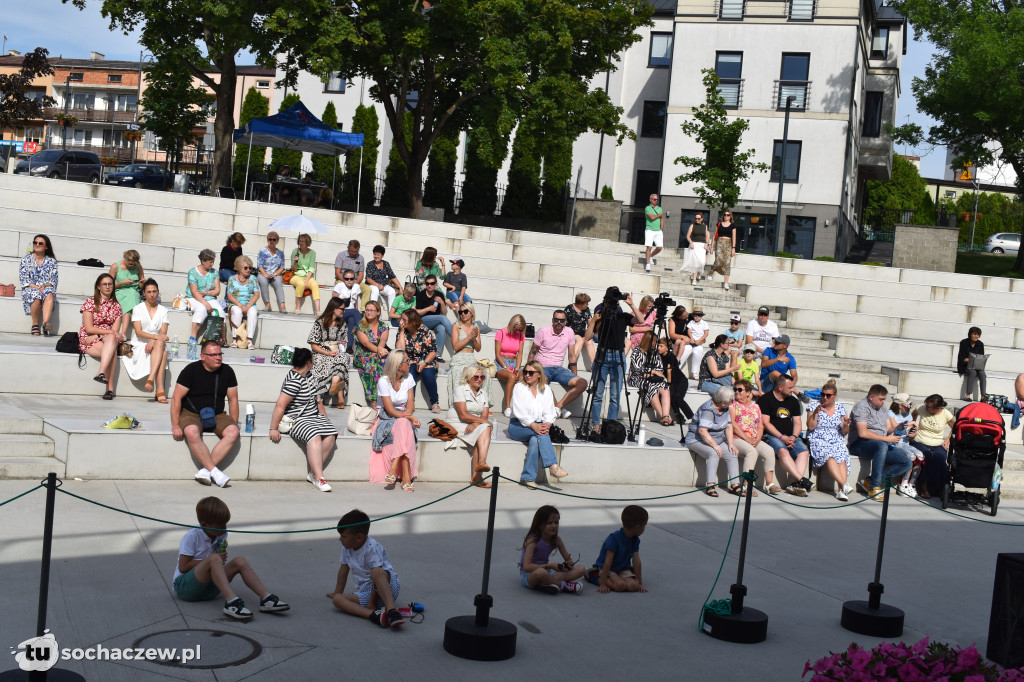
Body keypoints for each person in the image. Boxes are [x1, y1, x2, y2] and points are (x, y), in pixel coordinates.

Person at [173, 496, 289, 620]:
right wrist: (212, 560)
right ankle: (231, 602)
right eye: (220, 525)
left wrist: (218, 559)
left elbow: (216, 561)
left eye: (225, 523)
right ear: (204, 524)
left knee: (239, 561)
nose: (224, 528)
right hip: (186, 589)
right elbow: (183, 567)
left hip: (207, 590)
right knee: (214, 558)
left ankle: (266, 598)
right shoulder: (192, 536)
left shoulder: (220, 534)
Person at [171, 339, 239, 488]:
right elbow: (176, 398)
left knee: (234, 431)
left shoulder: (227, 371)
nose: (218, 358)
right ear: (203, 357)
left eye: (220, 354)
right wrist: (175, 425)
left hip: (217, 413)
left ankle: (205, 471)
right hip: (191, 413)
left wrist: (233, 422)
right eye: (213, 355)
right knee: (191, 431)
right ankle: (215, 471)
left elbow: (233, 400)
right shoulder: (190, 370)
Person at [269, 348, 338, 492]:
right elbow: (280, 405)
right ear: (308, 362)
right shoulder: (294, 381)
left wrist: (326, 421)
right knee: (314, 436)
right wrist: (273, 428)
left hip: (314, 416)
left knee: (331, 434)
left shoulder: (309, 375)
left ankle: (312, 473)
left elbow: (318, 401)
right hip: (298, 419)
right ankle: (319, 477)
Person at [327, 509, 406, 629]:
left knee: (376, 571)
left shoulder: (371, 547)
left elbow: (377, 575)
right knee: (337, 600)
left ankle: (392, 611)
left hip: (387, 586)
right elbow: (343, 570)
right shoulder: (346, 548)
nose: (340, 539)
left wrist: (372, 602)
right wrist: (337, 592)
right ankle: (374, 616)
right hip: (367, 593)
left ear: (359, 537)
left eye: (343, 536)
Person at [585, 288, 645, 432]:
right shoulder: (600, 315)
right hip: (602, 356)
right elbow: (587, 338)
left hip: (618, 356)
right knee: (598, 394)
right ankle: (596, 424)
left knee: (615, 395)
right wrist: (593, 321)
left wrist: (631, 304)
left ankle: (610, 426)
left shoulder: (622, 316)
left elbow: (641, 320)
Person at [510, 361, 569, 489]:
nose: (527, 375)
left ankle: (528, 478)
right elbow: (519, 412)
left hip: (537, 426)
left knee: (535, 440)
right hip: (518, 426)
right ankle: (553, 466)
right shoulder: (519, 387)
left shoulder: (546, 389)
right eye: (525, 372)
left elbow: (549, 411)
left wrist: (547, 424)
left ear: (539, 374)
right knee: (541, 433)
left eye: (531, 373)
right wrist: (534, 426)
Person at [849, 384, 912, 500]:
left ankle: (869, 481)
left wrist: (900, 427)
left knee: (906, 463)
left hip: (879, 444)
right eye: (881, 399)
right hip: (859, 443)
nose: (883, 402)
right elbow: (863, 433)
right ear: (871, 397)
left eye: (884, 399)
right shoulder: (861, 407)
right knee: (882, 445)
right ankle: (874, 487)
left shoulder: (883, 409)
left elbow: (888, 430)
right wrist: (887, 440)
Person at [370, 351, 420, 491]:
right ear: (398, 365)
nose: (409, 363)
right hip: (387, 417)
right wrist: (410, 418)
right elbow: (390, 410)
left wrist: (409, 415)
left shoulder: (408, 377)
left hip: (403, 416)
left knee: (403, 425)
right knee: (404, 425)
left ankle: (394, 466)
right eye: (407, 361)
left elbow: (411, 404)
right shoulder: (383, 381)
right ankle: (406, 477)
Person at [757, 374, 812, 496]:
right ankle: (801, 479)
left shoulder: (793, 401)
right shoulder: (765, 399)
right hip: (771, 436)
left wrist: (793, 437)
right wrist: (782, 437)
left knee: (804, 451)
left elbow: (798, 423)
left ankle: (795, 484)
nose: (793, 390)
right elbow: (765, 423)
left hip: (790, 436)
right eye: (790, 388)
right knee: (783, 451)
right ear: (780, 387)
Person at [530, 309, 589, 419]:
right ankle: (558, 409)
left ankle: (557, 407)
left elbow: (571, 356)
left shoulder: (569, 332)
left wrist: (575, 375)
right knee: (541, 382)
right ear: (552, 320)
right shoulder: (543, 331)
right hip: (543, 367)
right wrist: (528, 370)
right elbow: (533, 352)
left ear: (566, 321)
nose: (559, 322)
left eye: (562, 320)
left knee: (582, 383)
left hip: (559, 369)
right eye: (556, 320)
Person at [685, 386, 742, 497]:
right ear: (722, 402)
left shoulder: (725, 408)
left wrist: (730, 444)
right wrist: (715, 446)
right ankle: (710, 485)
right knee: (713, 453)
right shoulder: (708, 409)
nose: (732, 403)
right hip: (696, 439)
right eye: (730, 401)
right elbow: (702, 431)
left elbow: (729, 426)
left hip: (716, 439)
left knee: (732, 453)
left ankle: (735, 484)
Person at [445, 364, 494, 488]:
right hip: (457, 423)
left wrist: (476, 423)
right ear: (468, 378)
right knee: (486, 427)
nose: (479, 379)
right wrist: (479, 422)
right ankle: (478, 475)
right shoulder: (460, 390)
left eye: (482, 377)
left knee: (485, 428)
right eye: (476, 376)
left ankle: (479, 468)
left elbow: (485, 415)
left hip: (473, 424)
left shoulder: (483, 393)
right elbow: (463, 415)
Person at [518, 505, 585, 594]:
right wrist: (551, 566)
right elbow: (526, 567)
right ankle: (563, 585)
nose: (554, 526)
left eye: (556, 522)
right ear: (540, 525)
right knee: (541, 573)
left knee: (582, 569)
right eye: (549, 523)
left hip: (548, 572)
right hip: (530, 575)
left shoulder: (557, 540)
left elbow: (569, 561)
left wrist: (568, 565)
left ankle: (547, 583)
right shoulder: (533, 541)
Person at [122, 278, 169, 402]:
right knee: (163, 354)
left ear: (158, 292)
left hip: (157, 342)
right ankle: (160, 390)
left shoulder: (164, 310)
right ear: (143, 293)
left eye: (154, 291)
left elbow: (163, 333)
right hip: (139, 342)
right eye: (148, 292)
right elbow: (138, 332)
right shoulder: (137, 308)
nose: (152, 295)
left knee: (160, 345)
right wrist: (154, 338)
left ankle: (151, 378)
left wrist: (154, 340)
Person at [79, 273, 124, 400]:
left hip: (106, 339)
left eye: (110, 284)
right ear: (98, 286)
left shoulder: (117, 306)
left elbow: (114, 331)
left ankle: (101, 371)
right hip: (89, 338)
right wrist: (101, 334)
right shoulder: (90, 302)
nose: (108, 287)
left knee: (112, 343)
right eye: (105, 284)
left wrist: (110, 333)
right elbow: (89, 328)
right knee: (113, 351)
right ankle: (109, 388)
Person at [806, 379, 853, 501]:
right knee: (830, 456)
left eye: (828, 395)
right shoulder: (813, 406)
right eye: (823, 394)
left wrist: (846, 426)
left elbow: (844, 432)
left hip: (836, 439)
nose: (824, 397)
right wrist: (816, 413)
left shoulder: (841, 408)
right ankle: (843, 486)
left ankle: (841, 490)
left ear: (835, 396)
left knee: (842, 457)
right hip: (818, 439)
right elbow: (810, 426)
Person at [730, 379, 779, 495]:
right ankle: (745, 486)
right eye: (735, 389)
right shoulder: (732, 405)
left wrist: (757, 439)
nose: (737, 392)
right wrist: (747, 439)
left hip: (753, 438)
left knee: (769, 451)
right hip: (736, 438)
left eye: (740, 390)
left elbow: (760, 425)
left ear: (748, 392)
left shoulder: (756, 407)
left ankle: (769, 484)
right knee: (752, 452)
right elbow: (733, 424)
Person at [587, 505, 647, 593]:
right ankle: (593, 576)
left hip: (622, 568)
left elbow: (636, 561)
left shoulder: (635, 540)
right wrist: (603, 584)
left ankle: (619, 577)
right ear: (637, 527)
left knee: (632, 586)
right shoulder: (614, 538)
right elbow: (607, 562)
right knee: (620, 586)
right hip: (606, 568)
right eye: (644, 526)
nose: (644, 529)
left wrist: (640, 583)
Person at [909, 394, 955, 499]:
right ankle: (924, 488)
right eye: (926, 405)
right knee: (927, 457)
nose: (926, 408)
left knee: (941, 458)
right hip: (919, 441)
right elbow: (914, 414)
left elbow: (955, 427)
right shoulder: (922, 408)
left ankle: (942, 488)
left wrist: (947, 440)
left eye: (929, 407)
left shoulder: (945, 414)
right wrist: (913, 426)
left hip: (937, 443)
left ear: (938, 408)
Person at [308, 298, 350, 409]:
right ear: (334, 308)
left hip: (336, 352)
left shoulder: (342, 324)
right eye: (342, 309)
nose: (343, 311)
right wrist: (327, 353)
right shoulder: (320, 322)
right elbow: (313, 345)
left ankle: (334, 385)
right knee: (328, 362)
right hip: (321, 352)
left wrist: (341, 345)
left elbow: (344, 341)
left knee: (343, 357)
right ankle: (339, 396)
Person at [396, 309, 440, 413]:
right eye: (401, 319)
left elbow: (433, 351)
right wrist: (402, 331)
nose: (401, 321)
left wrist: (424, 363)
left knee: (428, 374)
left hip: (427, 359)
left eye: (404, 319)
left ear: (412, 321)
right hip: (410, 360)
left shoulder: (424, 330)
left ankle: (435, 402)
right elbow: (399, 350)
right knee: (409, 375)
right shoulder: (402, 330)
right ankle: (411, 403)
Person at [626, 331, 673, 425]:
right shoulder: (637, 351)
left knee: (665, 388)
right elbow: (637, 370)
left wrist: (653, 372)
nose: (656, 344)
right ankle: (662, 417)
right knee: (651, 386)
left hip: (651, 377)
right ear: (648, 341)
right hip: (636, 378)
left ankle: (666, 416)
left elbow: (659, 368)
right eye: (655, 342)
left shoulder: (655, 353)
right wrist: (652, 372)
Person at [447, 301, 487, 408]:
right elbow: (455, 346)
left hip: (471, 358)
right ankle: (458, 405)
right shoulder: (456, 326)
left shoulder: (476, 327)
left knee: (484, 376)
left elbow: (478, 348)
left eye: (465, 311)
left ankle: (481, 404)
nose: (463, 314)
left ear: (471, 313)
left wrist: (473, 338)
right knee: (458, 372)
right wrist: (469, 337)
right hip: (459, 357)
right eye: (460, 312)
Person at [353, 301, 390, 409]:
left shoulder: (384, 326)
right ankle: (373, 399)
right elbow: (366, 343)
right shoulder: (360, 326)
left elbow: (383, 339)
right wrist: (379, 350)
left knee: (385, 363)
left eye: (371, 310)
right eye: (367, 310)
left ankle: (385, 397)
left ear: (378, 312)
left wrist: (380, 349)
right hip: (363, 354)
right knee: (372, 365)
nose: (368, 312)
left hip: (379, 351)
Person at [186, 249, 221, 361]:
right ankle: (193, 338)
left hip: (210, 297)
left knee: (220, 312)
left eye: (213, 261)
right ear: (203, 261)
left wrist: (206, 293)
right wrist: (205, 303)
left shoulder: (214, 272)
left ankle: (212, 340)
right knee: (201, 308)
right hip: (194, 298)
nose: (212, 264)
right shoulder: (193, 272)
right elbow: (194, 292)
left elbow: (217, 291)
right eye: (210, 261)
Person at [20, 234, 58, 336]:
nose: (37, 245)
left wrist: (44, 286)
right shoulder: (26, 260)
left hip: (45, 287)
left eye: (40, 243)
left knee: (49, 293)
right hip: (30, 287)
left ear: (46, 246)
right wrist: (37, 288)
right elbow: (24, 280)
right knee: (36, 295)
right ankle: (35, 324)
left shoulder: (52, 262)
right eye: (35, 243)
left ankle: (45, 323)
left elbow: (54, 280)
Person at [888, 393, 925, 498]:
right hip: (894, 443)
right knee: (910, 456)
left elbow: (909, 434)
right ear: (900, 405)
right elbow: (895, 427)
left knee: (920, 455)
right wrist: (912, 422)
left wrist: (913, 433)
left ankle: (911, 483)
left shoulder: (908, 415)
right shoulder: (890, 413)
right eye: (907, 405)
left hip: (904, 442)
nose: (909, 407)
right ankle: (903, 484)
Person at [495, 314, 527, 416]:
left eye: (520, 329)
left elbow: (520, 354)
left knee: (529, 375)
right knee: (512, 377)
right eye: (516, 329)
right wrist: (505, 367)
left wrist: (517, 368)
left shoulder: (521, 335)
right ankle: (508, 407)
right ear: (511, 324)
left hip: (514, 363)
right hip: (501, 363)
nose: (517, 331)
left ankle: (526, 408)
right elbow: (497, 354)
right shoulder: (501, 332)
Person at [413, 275, 452, 360]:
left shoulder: (439, 295)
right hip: (423, 320)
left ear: (435, 284)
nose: (429, 285)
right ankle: (456, 337)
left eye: (432, 283)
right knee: (442, 318)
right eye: (427, 283)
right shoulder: (421, 295)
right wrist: (429, 308)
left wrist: (441, 302)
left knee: (442, 328)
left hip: (436, 321)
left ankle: (436, 354)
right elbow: (418, 313)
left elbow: (444, 312)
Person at [225, 256, 260, 349]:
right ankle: (235, 339)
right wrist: (240, 305)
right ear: (239, 268)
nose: (248, 270)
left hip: (250, 303)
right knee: (237, 311)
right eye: (245, 268)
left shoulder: (253, 278)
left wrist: (249, 305)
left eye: (250, 268)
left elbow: (256, 294)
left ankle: (249, 340)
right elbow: (230, 295)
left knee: (253, 312)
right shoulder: (232, 279)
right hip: (235, 303)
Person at [658, 337, 693, 424]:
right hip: (672, 381)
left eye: (661, 346)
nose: (658, 348)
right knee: (672, 397)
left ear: (667, 348)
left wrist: (668, 384)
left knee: (678, 398)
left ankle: (693, 417)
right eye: (658, 345)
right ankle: (680, 418)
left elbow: (669, 371)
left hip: (680, 380)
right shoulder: (659, 356)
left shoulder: (670, 356)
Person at [109, 249, 144, 329]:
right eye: (130, 264)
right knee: (131, 297)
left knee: (131, 295)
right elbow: (108, 285)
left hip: (134, 292)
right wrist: (122, 283)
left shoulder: (138, 267)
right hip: (119, 292)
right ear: (125, 259)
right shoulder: (115, 267)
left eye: (133, 264)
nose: (132, 266)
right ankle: (139, 329)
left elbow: (141, 286)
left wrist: (142, 283)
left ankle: (124, 333)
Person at [331, 269, 363, 352]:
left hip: (351, 312)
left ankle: (349, 347)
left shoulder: (356, 287)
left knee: (352, 320)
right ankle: (364, 332)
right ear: (343, 278)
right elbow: (333, 302)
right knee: (355, 312)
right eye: (346, 279)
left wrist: (356, 311)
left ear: (354, 279)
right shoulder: (339, 286)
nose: (349, 281)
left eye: (351, 279)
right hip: (340, 312)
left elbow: (355, 302)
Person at [256, 232, 288, 314]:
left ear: (277, 241)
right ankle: (267, 304)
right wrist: (265, 274)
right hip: (264, 272)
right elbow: (260, 266)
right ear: (267, 240)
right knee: (263, 282)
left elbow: (282, 267)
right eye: (270, 239)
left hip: (275, 273)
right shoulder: (262, 251)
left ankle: (282, 305)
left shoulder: (280, 253)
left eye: (274, 239)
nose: (272, 241)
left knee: (278, 283)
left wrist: (275, 274)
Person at [334, 239, 371, 308]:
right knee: (339, 287)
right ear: (348, 248)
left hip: (355, 280)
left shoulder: (360, 258)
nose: (354, 253)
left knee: (367, 289)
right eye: (352, 251)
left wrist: (356, 284)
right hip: (342, 279)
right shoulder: (341, 255)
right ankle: (338, 308)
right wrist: (346, 281)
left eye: (356, 251)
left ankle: (363, 311)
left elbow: (361, 274)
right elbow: (337, 272)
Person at [290, 233, 321, 314]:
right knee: (300, 284)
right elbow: (293, 269)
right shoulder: (295, 251)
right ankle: (297, 307)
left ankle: (318, 310)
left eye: (303, 241)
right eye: (300, 241)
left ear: (307, 242)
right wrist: (295, 261)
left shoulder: (312, 253)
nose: (301, 242)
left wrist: (307, 280)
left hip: (308, 276)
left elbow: (311, 267)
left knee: (314, 285)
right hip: (297, 275)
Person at [564, 293, 595, 373]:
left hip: (582, 333)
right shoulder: (569, 308)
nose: (587, 305)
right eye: (586, 303)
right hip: (570, 332)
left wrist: (589, 333)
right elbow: (564, 323)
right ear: (580, 304)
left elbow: (590, 324)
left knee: (589, 341)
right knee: (580, 340)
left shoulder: (586, 310)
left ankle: (594, 365)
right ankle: (572, 363)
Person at [365, 244, 401, 311]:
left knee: (392, 291)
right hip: (372, 285)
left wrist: (400, 288)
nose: (376, 256)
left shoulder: (386, 264)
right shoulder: (370, 264)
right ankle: (372, 311)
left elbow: (392, 276)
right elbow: (368, 279)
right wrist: (377, 285)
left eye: (378, 255)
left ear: (382, 255)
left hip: (384, 285)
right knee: (375, 290)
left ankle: (392, 313)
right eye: (375, 254)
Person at [708, 210, 736, 290]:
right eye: (725, 215)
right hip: (719, 244)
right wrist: (711, 247)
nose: (726, 216)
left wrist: (733, 248)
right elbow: (714, 236)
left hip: (728, 244)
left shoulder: (733, 226)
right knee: (718, 261)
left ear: (730, 216)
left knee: (727, 263)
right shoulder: (719, 224)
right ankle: (711, 272)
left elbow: (734, 237)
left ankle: (726, 283)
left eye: (728, 215)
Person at [679, 306, 709, 380]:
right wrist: (691, 338)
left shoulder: (704, 323)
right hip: (691, 341)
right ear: (693, 315)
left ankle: (694, 372)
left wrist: (700, 340)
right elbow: (689, 331)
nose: (697, 317)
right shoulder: (691, 322)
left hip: (699, 342)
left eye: (699, 315)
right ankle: (678, 367)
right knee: (686, 349)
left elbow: (706, 333)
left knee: (698, 351)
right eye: (695, 315)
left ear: (702, 316)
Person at [957, 326, 987, 402]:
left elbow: (981, 357)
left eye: (978, 335)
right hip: (964, 365)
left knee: (982, 374)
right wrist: (972, 360)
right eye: (974, 334)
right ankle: (968, 395)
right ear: (970, 334)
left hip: (976, 365)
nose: (976, 336)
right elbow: (962, 358)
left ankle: (983, 396)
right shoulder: (964, 342)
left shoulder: (980, 344)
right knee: (972, 372)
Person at [683, 212, 709, 285]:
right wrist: (691, 242)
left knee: (702, 262)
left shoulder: (705, 226)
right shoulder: (692, 226)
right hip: (695, 245)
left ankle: (698, 273)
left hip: (702, 246)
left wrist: (706, 243)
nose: (697, 220)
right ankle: (694, 279)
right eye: (696, 218)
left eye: (698, 218)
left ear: (702, 219)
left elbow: (707, 235)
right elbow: (688, 236)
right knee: (695, 263)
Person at [644, 194, 664, 272]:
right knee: (649, 246)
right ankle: (648, 264)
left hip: (658, 230)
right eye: (654, 199)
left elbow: (662, 219)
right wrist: (659, 215)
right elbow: (651, 218)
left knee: (659, 247)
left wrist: (661, 229)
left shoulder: (659, 208)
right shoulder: (648, 208)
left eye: (657, 199)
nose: (656, 201)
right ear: (650, 199)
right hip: (649, 230)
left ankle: (651, 256)